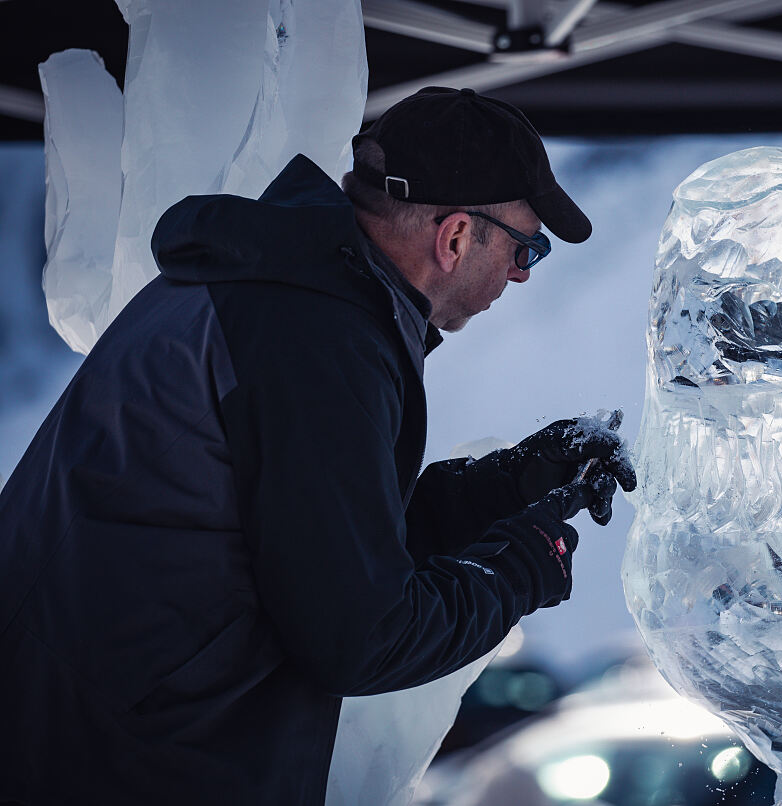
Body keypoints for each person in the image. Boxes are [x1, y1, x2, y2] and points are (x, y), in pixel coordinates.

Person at [0, 86, 635, 805]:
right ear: (456, 236)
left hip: (100, 742)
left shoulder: (282, 291)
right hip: (118, 767)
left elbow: (310, 552)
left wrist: (503, 488)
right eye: (527, 248)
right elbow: (359, 636)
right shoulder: (314, 335)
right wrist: (524, 567)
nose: (521, 273)